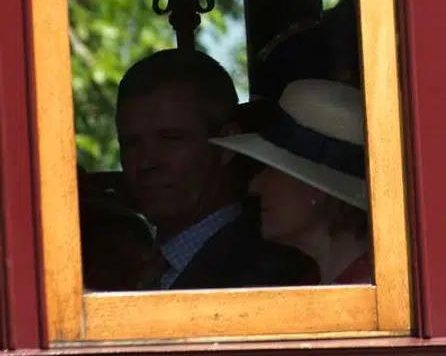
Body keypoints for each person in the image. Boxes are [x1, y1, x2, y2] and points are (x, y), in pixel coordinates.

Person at [115, 49, 317, 289]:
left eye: (170, 139)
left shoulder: (266, 273)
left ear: (226, 144)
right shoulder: (137, 265)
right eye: (131, 144)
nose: (147, 161)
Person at [211, 78, 371, 285]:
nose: (254, 186)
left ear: (316, 189)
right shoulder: (318, 283)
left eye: (274, 170)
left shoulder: (364, 295)